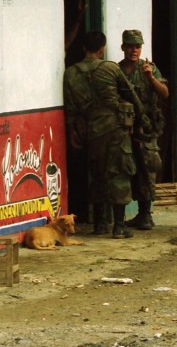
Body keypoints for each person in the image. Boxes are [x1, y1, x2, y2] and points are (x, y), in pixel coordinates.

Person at [64, 31, 147, 238]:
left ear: (84, 48)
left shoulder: (71, 73)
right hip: (116, 128)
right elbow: (130, 93)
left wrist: (73, 132)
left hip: (91, 130)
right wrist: (141, 118)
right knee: (119, 172)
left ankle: (100, 223)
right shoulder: (110, 67)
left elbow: (71, 109)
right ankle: (119, 226)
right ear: (102, 49)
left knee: (97, 172)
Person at [118, 29, 168, 230]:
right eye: (130, 46)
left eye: (137, 46)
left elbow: (165, 93)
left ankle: (145, 214)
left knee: (148, 168)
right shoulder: (117, 70)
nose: (134, 50)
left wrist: (150, 78)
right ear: (123, 47)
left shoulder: (149, 68)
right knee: (125, 168)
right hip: (124, 127)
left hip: (146, 126)